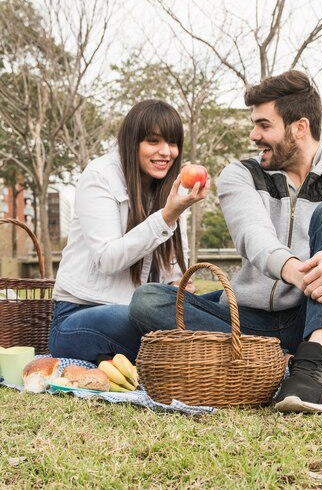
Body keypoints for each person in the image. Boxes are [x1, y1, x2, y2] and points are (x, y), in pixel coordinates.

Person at [128, 71, 322, 413]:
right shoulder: (240, 175)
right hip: (250, 321)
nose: (254, 135)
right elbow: (254, 237)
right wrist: (298, 273)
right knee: (148, 301)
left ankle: (318, 353)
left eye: (264, 125)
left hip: (319, 310)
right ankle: (311, 357)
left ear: (300, 127)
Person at [49, 99, 209, 364]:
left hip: (142, 310)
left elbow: (172, 269)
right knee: (149, 317)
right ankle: (230, 351)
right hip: (79, 317)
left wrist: (176, 285)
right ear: (132, 142)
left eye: (172, 143)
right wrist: (167, 215)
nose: (166, 152)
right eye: (153, 141)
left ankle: (224, 343)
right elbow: (108, 259)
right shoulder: (100, 176)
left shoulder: (169, 186)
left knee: (222, 302)